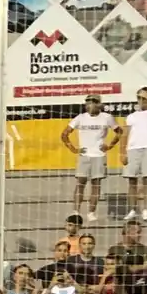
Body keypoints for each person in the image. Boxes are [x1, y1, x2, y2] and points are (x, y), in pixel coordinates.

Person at [61, 95, 121, 223]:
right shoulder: (80, 118)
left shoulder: (107, 117)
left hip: (99, 156)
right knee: (80, 183)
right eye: (87, 103)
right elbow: (64, 134)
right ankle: (76, 211)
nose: (89, 105)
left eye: (93, 103)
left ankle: (91, 212)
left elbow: (119, 132)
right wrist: (73, 149)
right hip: (84, 155)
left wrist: (109, 145)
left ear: (99, 104)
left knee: (96, 185)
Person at [121, 87, 147, 224]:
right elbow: (125, 135)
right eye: (140, 98)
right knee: (132, 181)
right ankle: (133, 210)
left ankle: (146, 211)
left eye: (144, 98)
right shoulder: (131, 116)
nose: (142, 100)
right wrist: (122, 152)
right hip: (132, 150)